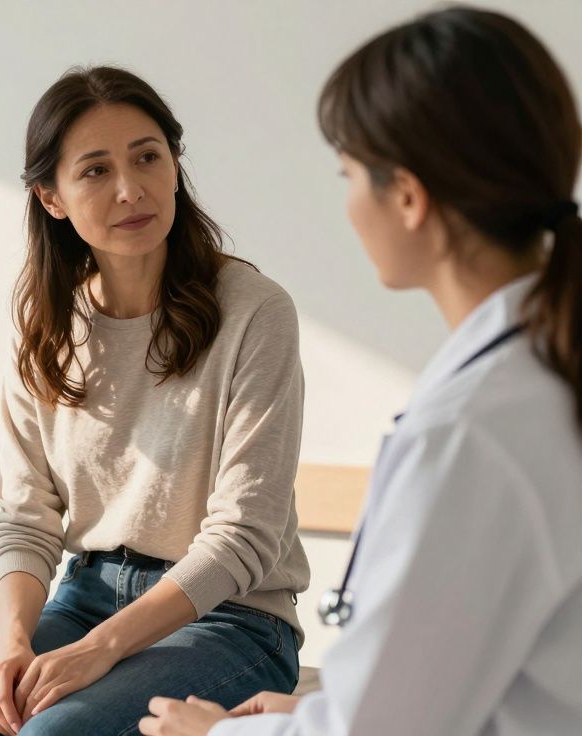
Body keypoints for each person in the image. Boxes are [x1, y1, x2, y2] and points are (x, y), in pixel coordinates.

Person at [142, 6, 582, 735]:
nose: (347, 203)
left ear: (408, 197)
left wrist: (216, 734)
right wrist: (320, 710)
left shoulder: (470, 432)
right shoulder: (537, 376)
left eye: (349, 174)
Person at [0, 65, 310, 736]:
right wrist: (12, 647)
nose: (130, 189)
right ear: (51, 197)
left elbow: (244, 537)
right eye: (94, 171)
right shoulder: (49, 327)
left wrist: (98, 651)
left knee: (53, 734)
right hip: (85, 597)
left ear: (174, 165)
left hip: (232, 620)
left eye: (148, 157)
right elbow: (25, 517)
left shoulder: (255, 313)